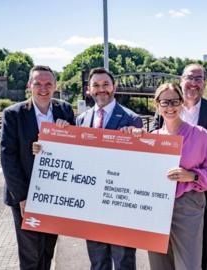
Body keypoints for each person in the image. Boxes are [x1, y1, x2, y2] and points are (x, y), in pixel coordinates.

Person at [152, 64, 207, 270]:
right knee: (160, 264)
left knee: (191, 263)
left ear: (181, 104)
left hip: (189, 204)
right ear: (157, 106)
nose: (170, 106)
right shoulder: (153, 138)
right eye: (165, 102)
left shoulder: (201, 133)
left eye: (175, 102)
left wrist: (192, 176)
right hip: (156, 207)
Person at [0, 65, 75, 270]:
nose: (43, 88)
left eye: (48, 84)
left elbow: (76, 153)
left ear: (55, 86)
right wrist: (23, 198)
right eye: (38, 83)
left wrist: (68, 134)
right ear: (29, 86)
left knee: (47, 251)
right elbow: (8, 158)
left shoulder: (65, 110)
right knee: (31, 255)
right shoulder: (13, 114)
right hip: (25, 196)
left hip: (54, 195)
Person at [77, 67, 143, 270]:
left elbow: (141, 162)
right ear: (89, 90)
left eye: (105, 84)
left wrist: (137, 138)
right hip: (91, 204)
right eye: (95, 85)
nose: (101, 89)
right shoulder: (81, 120)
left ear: (114, 86)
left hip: (120, 204)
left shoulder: (131, 119)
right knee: (97, 263)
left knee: (123, 262)